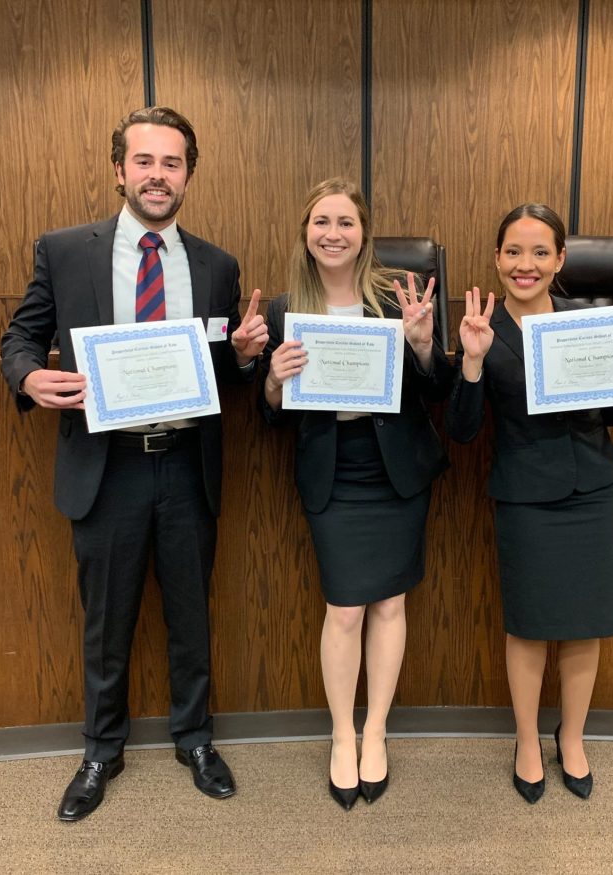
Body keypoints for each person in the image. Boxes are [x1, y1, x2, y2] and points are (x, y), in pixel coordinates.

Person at [0, 106, 268, 821]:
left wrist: (243, 356)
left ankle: (196, 739)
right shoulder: (65, 251)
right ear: (119, 169)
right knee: (105, 620)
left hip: (187, 465)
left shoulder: (216, 265)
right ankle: (100, 749)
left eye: (172, 163)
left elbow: (226, 369)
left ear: (189, 176)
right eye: (144, 161)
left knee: (191, 614)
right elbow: (20, 338)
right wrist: (28, 377)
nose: (158, 175)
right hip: (106, 465)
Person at [446, 203, 613, 803]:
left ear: (561, 259)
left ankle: (572, 737)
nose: (526, 265)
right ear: (497, 259)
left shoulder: (588, 319)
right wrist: (470, 362)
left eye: (540, 252)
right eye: (514, 252)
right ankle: (525, 740)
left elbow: (611, 407)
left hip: (594, 489)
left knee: (584, 627)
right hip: (525, 496)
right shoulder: (481, 326)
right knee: (529, 627)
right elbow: (463, 431)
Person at [259, 178, 452, 809]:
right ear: (306, 232)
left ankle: (376, 733)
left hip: (394, 471)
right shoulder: (285, 308)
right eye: (321, 221)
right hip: (333, 473)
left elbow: (436, 390)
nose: (333, 233)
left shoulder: (399, 299)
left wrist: (422, 344)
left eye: (346, 221)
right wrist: (272, 384)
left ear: (363, 233)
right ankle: (342, 735)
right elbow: (270, 415)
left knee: (390, 607)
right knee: (344, 609)